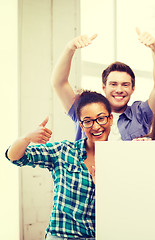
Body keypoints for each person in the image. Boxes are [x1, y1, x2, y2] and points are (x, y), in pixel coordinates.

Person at [5, 90, 113, 239]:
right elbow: (14, 157)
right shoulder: (63, 151)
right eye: (88, 121)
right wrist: (27, 137)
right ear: (81, 126)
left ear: (110, 119)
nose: (96, 127)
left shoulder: (118, 159)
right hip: (61, 236)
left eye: (101, 118)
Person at [51, 29, 155, 141]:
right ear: (104, 87)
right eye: (113, 84)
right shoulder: (84, 108)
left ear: (133, 88)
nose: (119, 90)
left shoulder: (140, 114)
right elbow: (59, 83)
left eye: (125, 85)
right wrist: (69, 49)